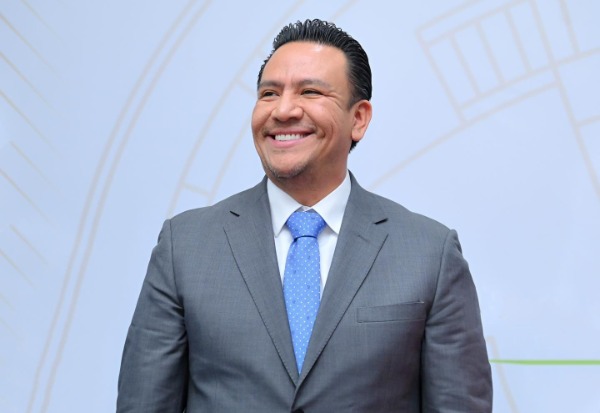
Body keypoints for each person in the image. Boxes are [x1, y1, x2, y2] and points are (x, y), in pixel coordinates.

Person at [117, 18, 492, 412]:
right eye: (269, 93)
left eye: (310, 91)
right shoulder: (185, 247)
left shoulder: (429, 254)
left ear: (359, 119)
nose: (283, 110)